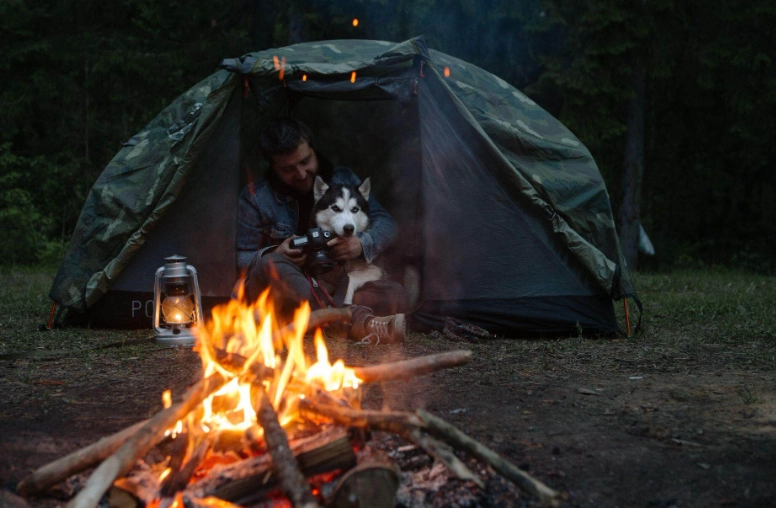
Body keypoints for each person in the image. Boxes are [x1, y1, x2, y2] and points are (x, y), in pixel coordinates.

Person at [236, 118, 406, 343]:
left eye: (305, 161)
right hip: (291, 284)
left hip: (335, 283)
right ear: (273, 166)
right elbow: (241, 259)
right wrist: (275, 253)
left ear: (313, 149)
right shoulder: (256, 197)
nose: (301, 173)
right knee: (270, 265)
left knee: (395, 294)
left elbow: (386, 223)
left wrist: (361, 243)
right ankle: (354, 321)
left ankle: (310, 321)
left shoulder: (343, 179)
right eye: (288, 169)